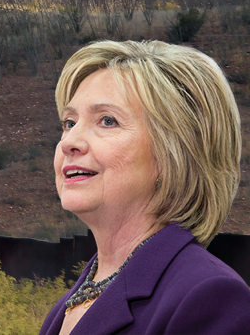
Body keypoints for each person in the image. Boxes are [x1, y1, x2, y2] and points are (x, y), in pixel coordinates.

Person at [40, 40, 250, 335]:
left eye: (107, 121)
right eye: (69, 122)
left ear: (171, 154)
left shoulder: (209, 298)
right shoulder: (68, 305)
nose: (68, 142)